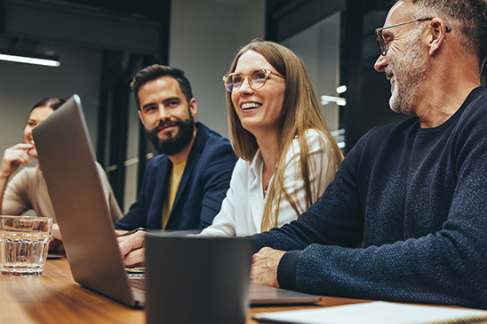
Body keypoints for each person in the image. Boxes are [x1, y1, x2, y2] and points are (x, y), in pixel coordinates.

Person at [249, 0, 487, 324]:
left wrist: (292, 266)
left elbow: (462, 265)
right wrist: (215, 255)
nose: (379, 62)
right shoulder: (376, 148)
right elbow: (303, 235)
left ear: (434, 34)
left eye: (388, 41)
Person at [118, 40, 344, 266]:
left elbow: (276, 248)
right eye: (236, 80)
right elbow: (218, 233)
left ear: (292, 87)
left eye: (259, 76)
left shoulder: (311, 145)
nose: (244, 89)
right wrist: (157, 246)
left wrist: (165, 253)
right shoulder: (247, 164)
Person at [0, 98, 122, 247]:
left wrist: (43, 232)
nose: (33, 131)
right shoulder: (28, 178)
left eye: (44, 125)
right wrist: (2, 176)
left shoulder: (88, 171)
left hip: (114, 262)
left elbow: (89, 237)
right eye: (31, 123)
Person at [113, 64, 237, 233]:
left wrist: (145, 243)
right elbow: (126, 227)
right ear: (142, 118)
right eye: (151, 109)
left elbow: (210, 236)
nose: (162, 116)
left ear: (191, 107)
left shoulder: (220, 155)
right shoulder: (155, 167)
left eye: (171, 103)